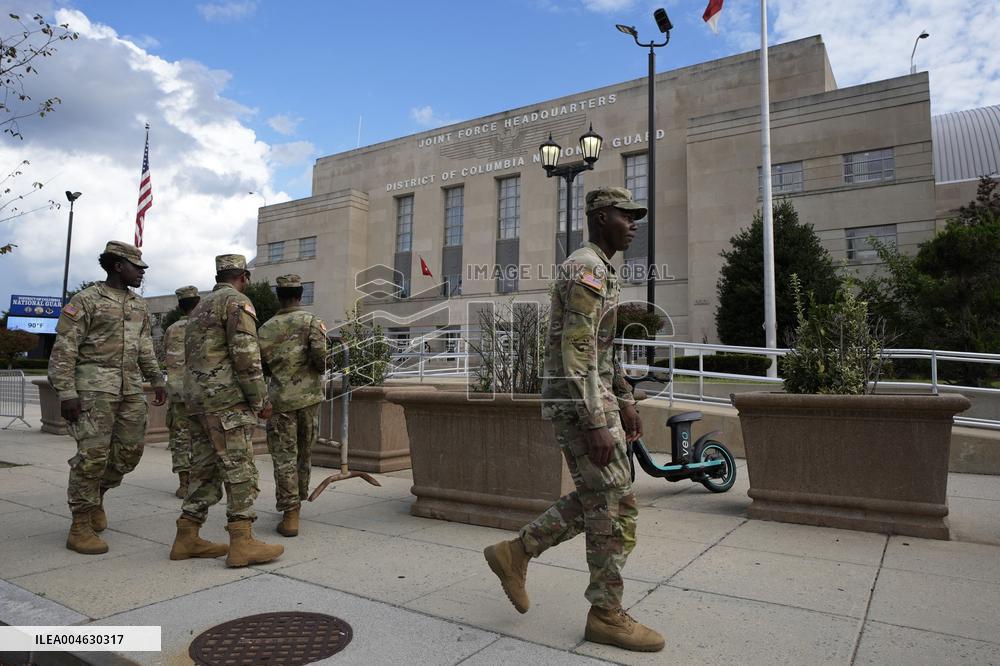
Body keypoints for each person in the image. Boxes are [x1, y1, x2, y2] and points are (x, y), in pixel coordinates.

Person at [483, 187, 665, 652]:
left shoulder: (602, 270)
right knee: (612, 505)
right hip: (581, 405)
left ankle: (517, 552)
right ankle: (605, 613)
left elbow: (603, 348)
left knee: (609, 500)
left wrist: (624, 399)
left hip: (596, 400)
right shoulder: (585, 268)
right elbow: (577, 350)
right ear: (602, 217)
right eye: (627, 216)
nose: (634, 224)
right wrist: (594, 421)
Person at [49, 240, 167, 555]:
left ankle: (97, 493)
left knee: (130, 452)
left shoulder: (139, 305)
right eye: (136, 267)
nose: (142, 272)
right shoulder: (86, 300)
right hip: (92, 390)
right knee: (92, 456)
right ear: (118, 266)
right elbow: (65, 348)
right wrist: (66, 392)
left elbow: (144, 346)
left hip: (129, 388)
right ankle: (80, 525)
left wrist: (156, 379)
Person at [168, 254, 283, 567]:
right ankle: (242, 541)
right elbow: (246, 355)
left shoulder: (200, 307)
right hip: (226, 403)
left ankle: (186, 535)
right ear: (243, 276)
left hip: (198, 402)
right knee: (240, 470)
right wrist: (261, 400)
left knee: (203, 470)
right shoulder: (236, 302)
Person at [257, 274, 328, 537]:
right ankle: (297, 505)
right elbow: (321, 359)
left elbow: (260, 368)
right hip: (308, 400)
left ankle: (290, 514)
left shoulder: (264, 328)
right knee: (303, 454)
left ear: (279, 296)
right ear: (300, 295)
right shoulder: (312, 322)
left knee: (283, 458)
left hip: (279, 402)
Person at [163, 285, 201, 499]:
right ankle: (200, 480)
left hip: (178, 394)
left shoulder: (171, 329)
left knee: (180, 438)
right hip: (202, 393)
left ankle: (184, 483)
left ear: (179, 305)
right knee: (201, 438)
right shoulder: (206, 326)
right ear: (199, 304)